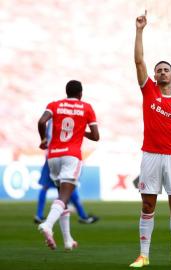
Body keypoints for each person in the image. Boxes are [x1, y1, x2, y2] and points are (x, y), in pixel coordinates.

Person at [130, 11, 171, 268]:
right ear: (155, 76)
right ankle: (143, 255)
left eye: (166, 70)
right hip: (150, 155)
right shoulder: (149, 91)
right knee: (148, 203)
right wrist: (139, 31)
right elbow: (138, 62)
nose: (162, 73)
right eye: (158, 70)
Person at [37, 80, 99, 251]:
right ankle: (48, 224)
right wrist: (79, 131)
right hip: (71, 156)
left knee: (60, 196)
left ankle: (67, 240)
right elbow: (95, 136)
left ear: (66, 92)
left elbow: (42, 122)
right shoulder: (86, 107)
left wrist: (43, 140)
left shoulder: (55, 105)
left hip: (53, 156)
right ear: (80, 94)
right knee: (64, 197)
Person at [34, 120, 99, 225]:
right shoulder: (65, 117)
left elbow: (43, 127)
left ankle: (39, 215)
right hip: (65, 154)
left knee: (45, 186)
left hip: (51, 155)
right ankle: (83, 215)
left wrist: (44, 142)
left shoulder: (52, 118)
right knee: (69, 185)